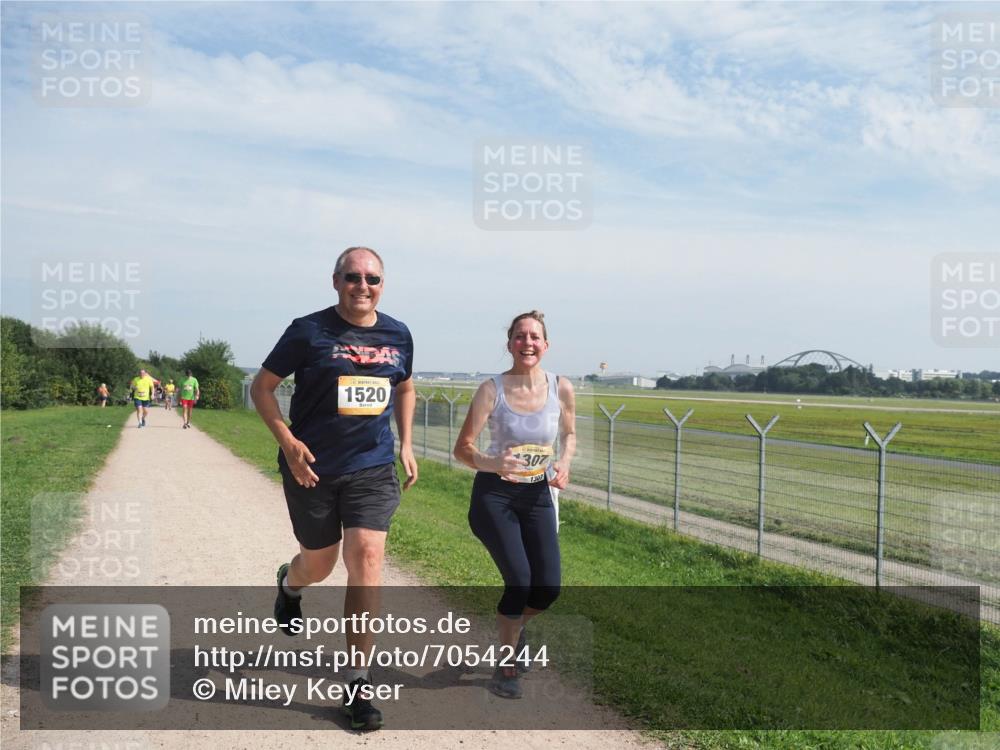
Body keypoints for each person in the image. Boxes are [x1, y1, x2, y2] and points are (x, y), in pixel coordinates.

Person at [251, 246, 418, 731]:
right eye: (352, 277)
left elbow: (403, 386)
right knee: (318, 564)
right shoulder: (308, 330)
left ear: (383, 284)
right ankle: (290, 584)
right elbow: (261, 387)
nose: (362, 286)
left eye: (372, 278)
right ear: (335, 280)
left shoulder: (399, 333)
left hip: (371, 468)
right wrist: (287, 443)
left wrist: (406, 443)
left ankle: (357, 682)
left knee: (366, 558)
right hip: (313, 469)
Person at [453, 310, 576, 699]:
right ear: (509, 345)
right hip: (495, 495)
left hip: (538, 493)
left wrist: (564, 464)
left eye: (535, 337)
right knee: (520, 581)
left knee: (548, 588)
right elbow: (462, 449)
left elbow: (570, 435)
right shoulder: (492, 390)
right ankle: (506, 668)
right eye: (520, 336)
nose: (527, 343)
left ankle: (512, 631)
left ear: (546, 344)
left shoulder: (561, 387)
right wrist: (493, 463)